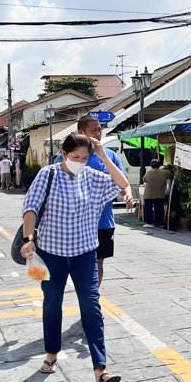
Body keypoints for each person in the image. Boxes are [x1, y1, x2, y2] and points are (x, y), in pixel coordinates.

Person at [20, 133, 128, 382]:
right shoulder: (47, 174)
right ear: (64, 153)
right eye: (75, 157)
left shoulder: (93, 177)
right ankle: (51, 354)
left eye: (84, 157)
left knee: (91, 306)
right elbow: (31, 208)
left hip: (85, 254)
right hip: (50, 254)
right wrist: (28, 238)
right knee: (52, 304)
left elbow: (122, 183)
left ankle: (100, 369)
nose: (80, 161)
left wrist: (102, 155)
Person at [55, 115, 133, 286]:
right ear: (81, 132)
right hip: (74, 223)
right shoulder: (68, 155)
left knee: (98, 261)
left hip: (103, 222)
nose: (99, 133)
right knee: (71, 262)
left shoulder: (110, 156)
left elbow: (123, 181)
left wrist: (128, 193)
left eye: (100, 129)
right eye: (94, 130)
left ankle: (92, 294)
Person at [141, 159, 169, 227]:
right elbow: (171, 175)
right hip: (160, 193)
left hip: (149, 194)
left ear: (151, 165)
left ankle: (149, 223)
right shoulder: (165, 172)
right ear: (159, 165)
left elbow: (144, 179)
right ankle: (159, 223)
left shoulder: (148, 172)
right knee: (159, 208)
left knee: (148, 209)